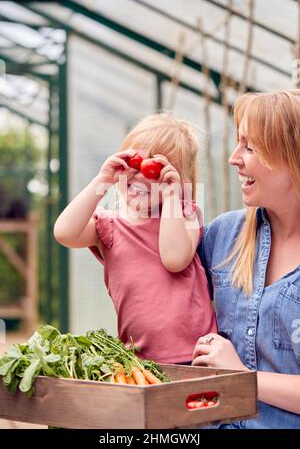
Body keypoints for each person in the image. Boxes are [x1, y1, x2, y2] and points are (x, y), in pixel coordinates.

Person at [54, 112, 217, 364]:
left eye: (158, 170)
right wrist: (102, 180)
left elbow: (174, 259)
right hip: (138, 359)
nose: (141, 174)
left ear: (178, 181)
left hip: (196, 353)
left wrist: (174, 196)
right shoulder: (109, 226)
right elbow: (64, 232)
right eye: (135, 163)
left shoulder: (185, 215)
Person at [193, 90, 300, 429]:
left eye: (250, 147)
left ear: (292, 157)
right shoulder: (224, 235)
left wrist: (241, 374)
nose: (233, 158)